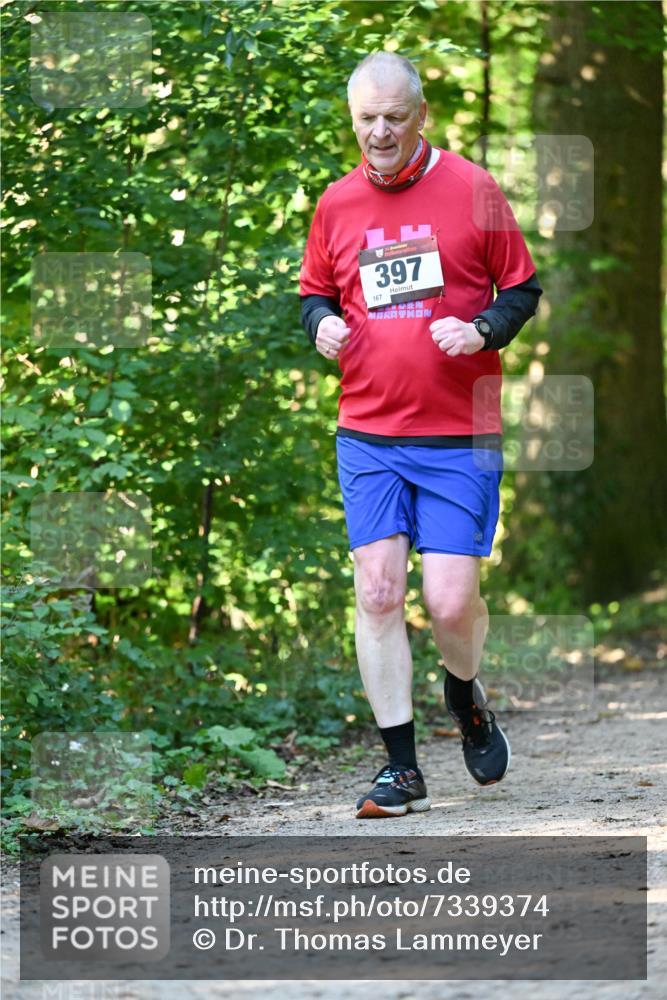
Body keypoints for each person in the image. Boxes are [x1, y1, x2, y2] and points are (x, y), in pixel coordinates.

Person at [299, 52, 543, 819]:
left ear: (421, 115)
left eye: (393, 117)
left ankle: (464, 694)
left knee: (448, 603)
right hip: (367, 431)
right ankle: (400, 769)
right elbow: (312, 293)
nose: (379, 131)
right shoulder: (336, 203)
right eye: (366, 118)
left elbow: (523, 287)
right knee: (376, 592)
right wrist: (321, 324)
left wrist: (481, 330)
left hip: (458, 434)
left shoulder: (472, 188)